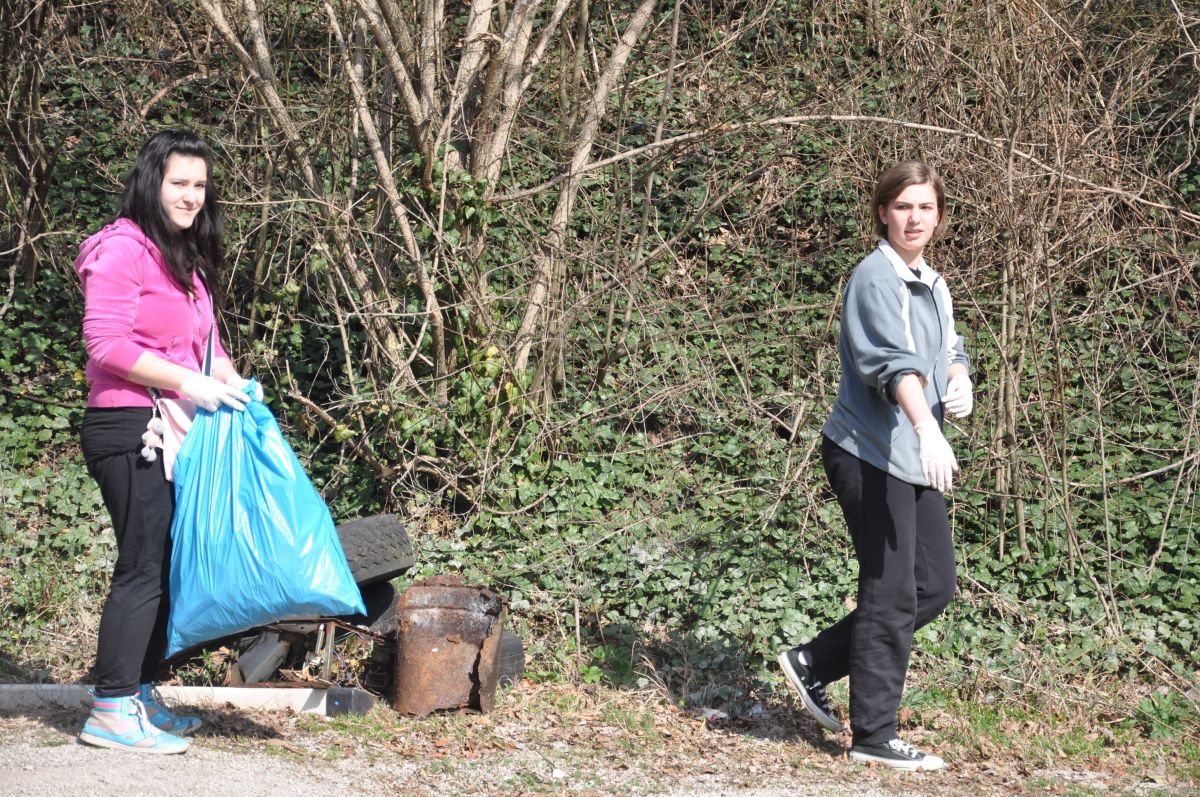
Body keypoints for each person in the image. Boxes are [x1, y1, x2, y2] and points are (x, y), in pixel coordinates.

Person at [777, 160, 973, 771]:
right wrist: (927, 428)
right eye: (903, 206)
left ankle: (813, 661)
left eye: (926, 207)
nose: (915, 218)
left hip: (912, 458)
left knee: (932, 586)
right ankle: (874, 735)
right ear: (883, 213)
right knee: (890, 589)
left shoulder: (932, 282)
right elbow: (893, 365)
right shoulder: (874, 277)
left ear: (939, 216)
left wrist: (960, 376)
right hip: (870, 452)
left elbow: (947, 347)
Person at [74, 130, 258, 754]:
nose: (190, 195)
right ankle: (110, 709)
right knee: (143, 564)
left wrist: (233, 384)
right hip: (130, 426)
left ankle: (139, 694)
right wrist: (189, 383)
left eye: (199, 185)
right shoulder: (122, 249)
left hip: (177, 426)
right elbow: (106, 344)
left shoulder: (182, 259)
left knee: (170, 566)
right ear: (152, 182)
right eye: (179, 182)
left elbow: (206, 346)